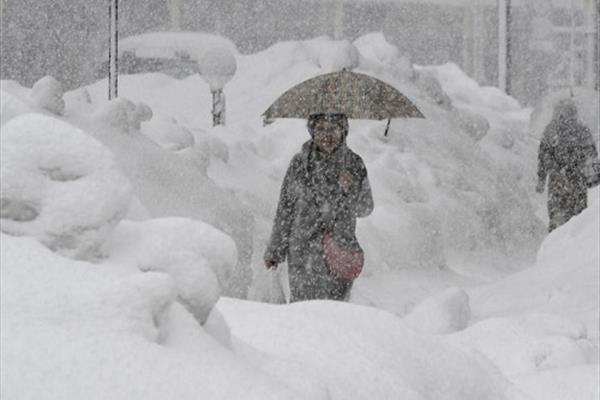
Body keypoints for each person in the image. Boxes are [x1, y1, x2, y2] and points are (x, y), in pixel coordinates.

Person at [264, 113, 374, 302]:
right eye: (321, 129)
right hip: (302, 253)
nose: (327, 135)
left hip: (339, 251)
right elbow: (285, 209)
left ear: (343, 131)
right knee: (304, 312)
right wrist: (275, 250)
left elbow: (366, 207)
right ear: (312, 131)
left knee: (335, 314)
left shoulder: (354, 164)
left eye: (333, 129)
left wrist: (350, 190)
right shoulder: (299, 163)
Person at [536, 98, 598, 232]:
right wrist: (594, 177)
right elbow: (591, 156)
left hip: (557, 180)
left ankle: (556, 240)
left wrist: (541, 178)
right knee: (578, 216)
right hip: (578, 180)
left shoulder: (550, 130)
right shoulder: (582, 129)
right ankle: (574, 241)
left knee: (557, 214)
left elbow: (543, 157)